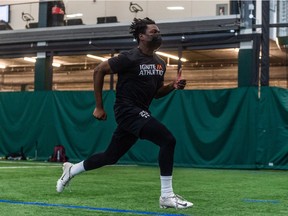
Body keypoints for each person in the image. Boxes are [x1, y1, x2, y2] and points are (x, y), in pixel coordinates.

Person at [56, 17, 193, 209]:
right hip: (126, 110)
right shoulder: (128, 57)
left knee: (110, 156)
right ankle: (166, 196)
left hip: (139, 112)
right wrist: (99, 106)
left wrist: (173, 86)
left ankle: (71, 170)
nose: (158, 34)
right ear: (141, 36)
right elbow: (98, 70)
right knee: (167, 140)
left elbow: (157, 94)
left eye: (159, 31)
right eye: (153, 31)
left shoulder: (160, 63)